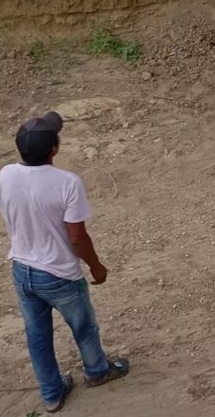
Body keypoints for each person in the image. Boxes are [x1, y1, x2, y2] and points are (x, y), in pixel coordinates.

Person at [0, 112, 129, 413]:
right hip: (59, 274)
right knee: (83, 327)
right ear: (54, 149)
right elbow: (76, 237)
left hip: (22, 269)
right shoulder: (67, 183)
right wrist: (96, 266)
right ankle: (97, 371)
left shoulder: (5, 175)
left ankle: (51, 394)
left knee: (37, 335)